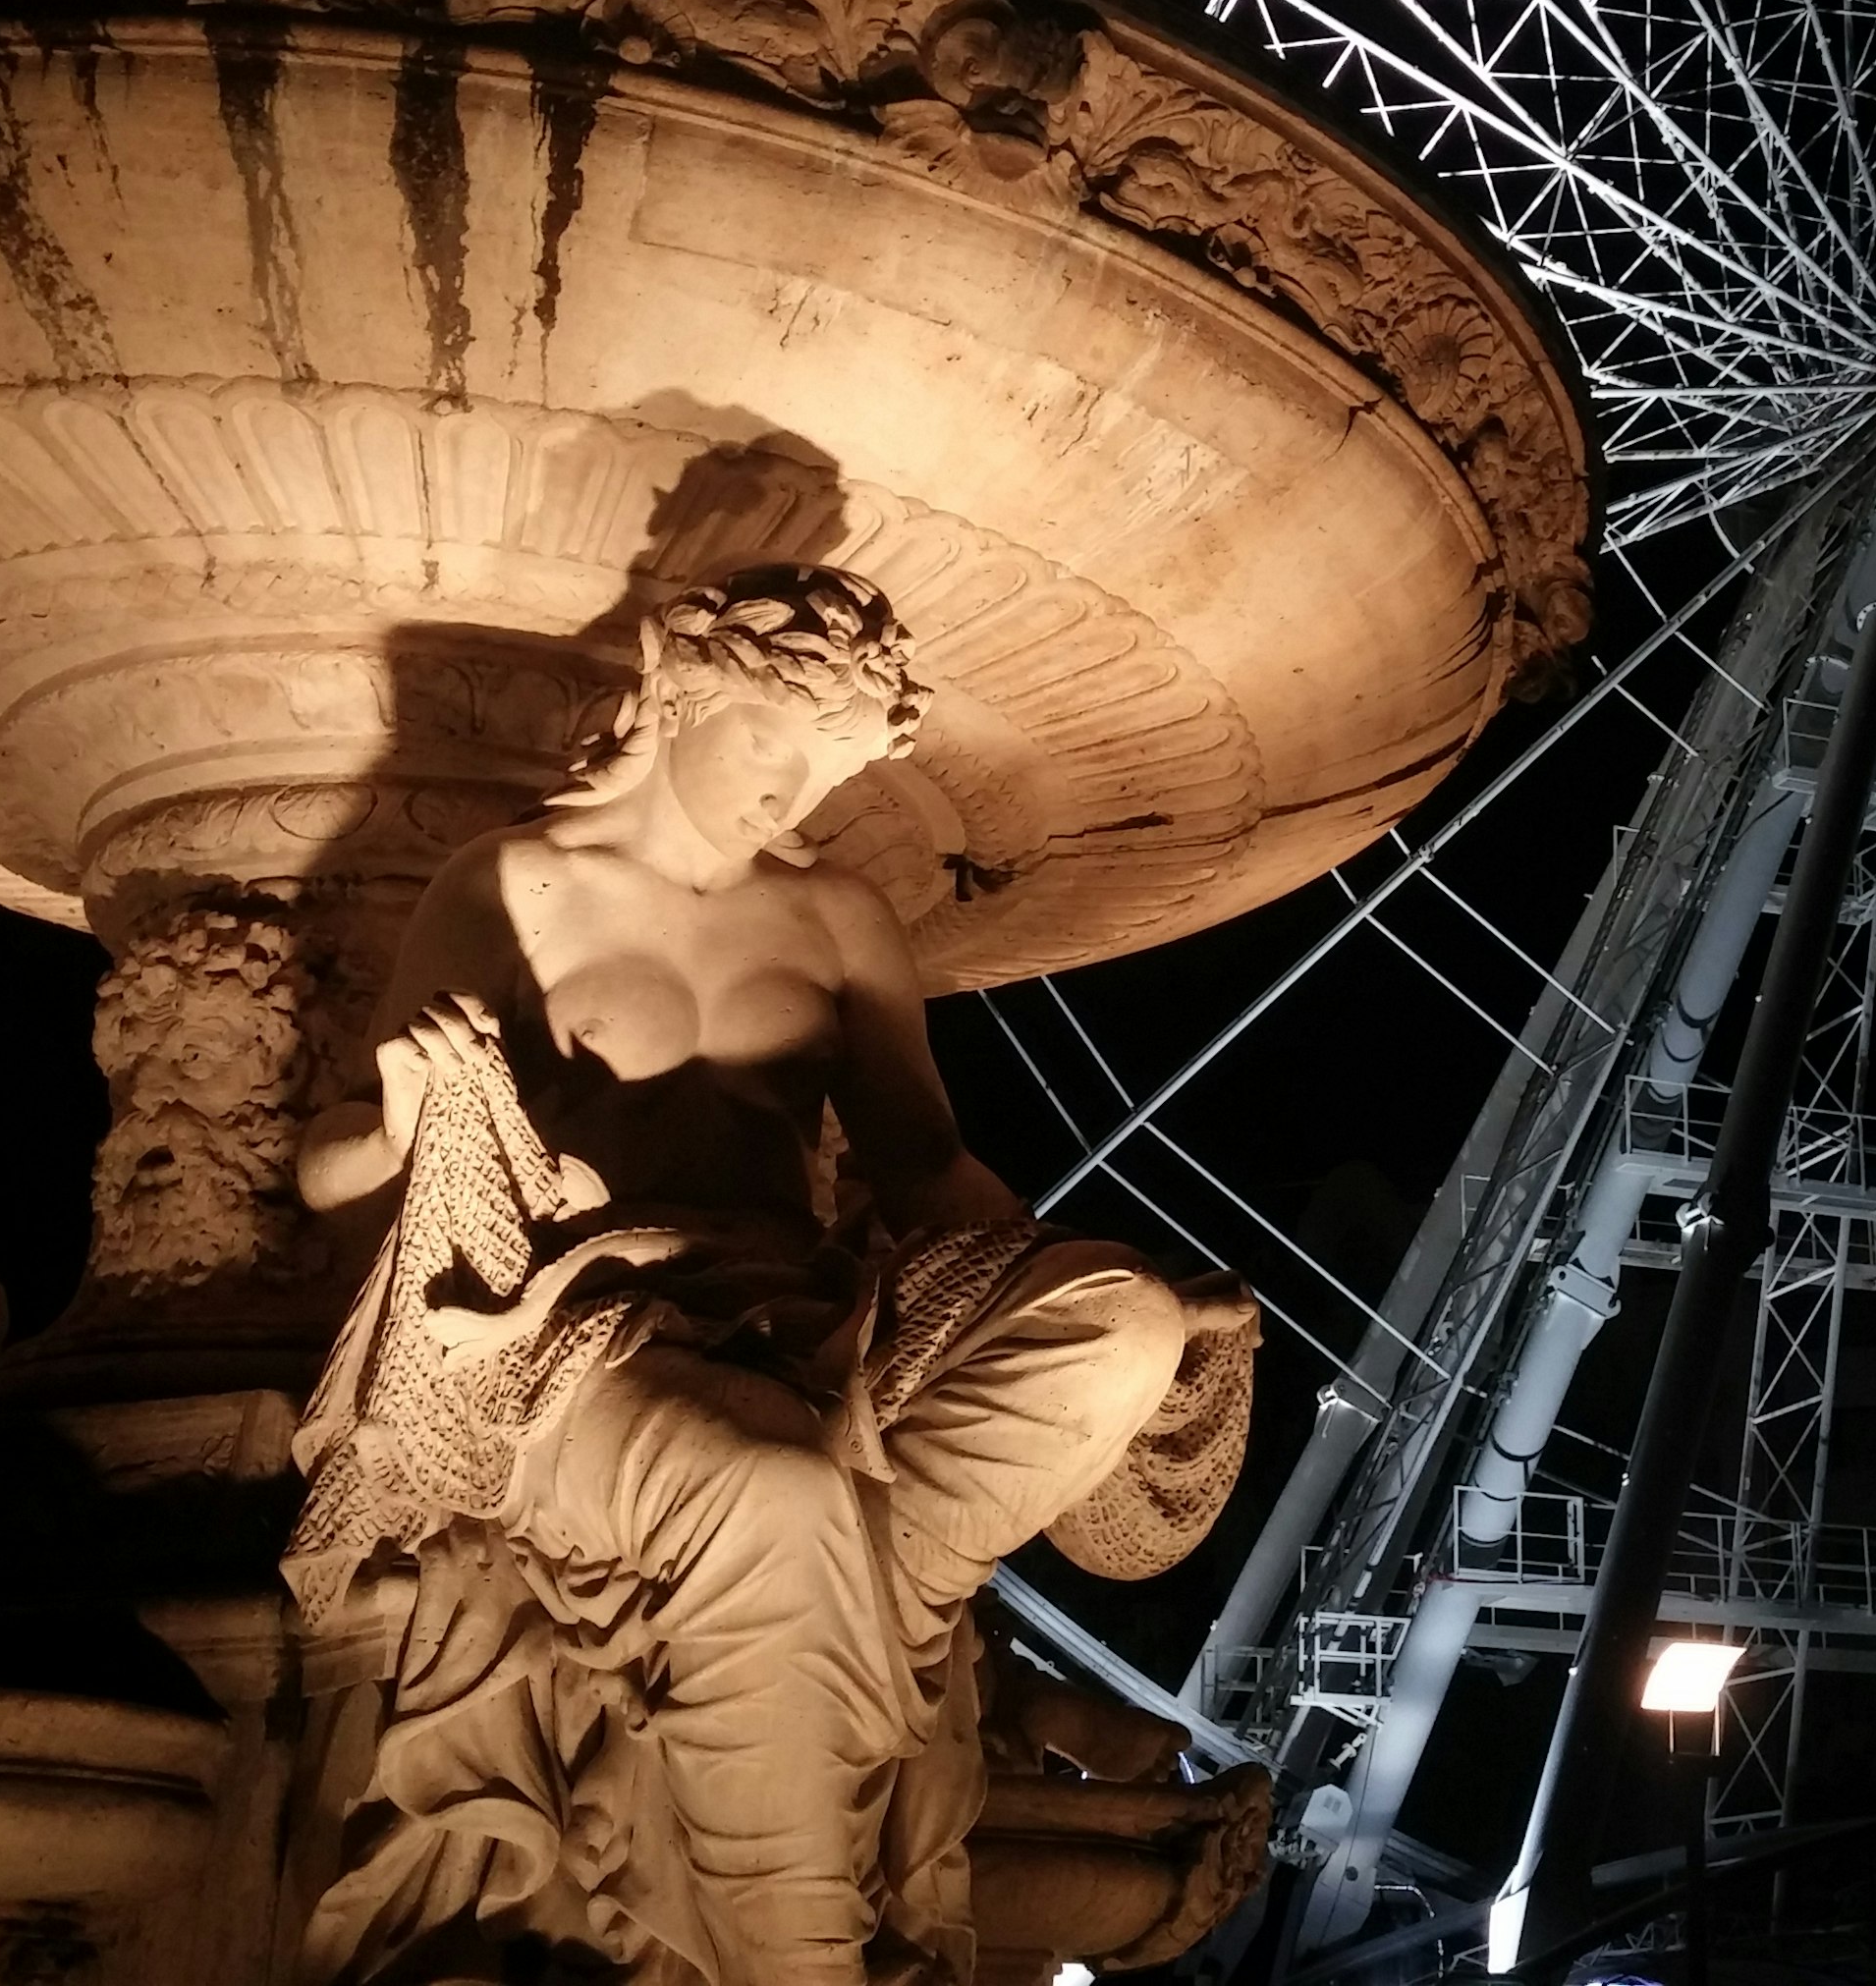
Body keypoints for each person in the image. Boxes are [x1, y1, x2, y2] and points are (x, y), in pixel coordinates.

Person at [285, 566, 1253, 1986]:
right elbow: (326, 1171)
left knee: (1125, 1324)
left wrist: (1096, 1288)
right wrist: (395, 1123)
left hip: (804, 1319)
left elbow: (926, 1168)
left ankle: (852, 1614)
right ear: (677, 688)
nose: (789, 797)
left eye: (828, 771)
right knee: (773, 1494)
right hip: (569, 1344)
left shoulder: (838, 916)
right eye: (772, 750)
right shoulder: (515, 881)